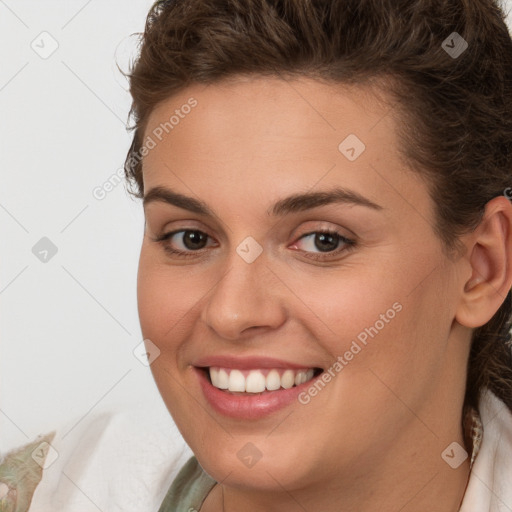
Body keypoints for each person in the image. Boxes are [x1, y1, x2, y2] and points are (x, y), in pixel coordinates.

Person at [3, 0, 512, 511]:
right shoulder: (51, 492)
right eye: (191, 238)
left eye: (322, 240)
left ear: (481, 268)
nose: (232, 312)